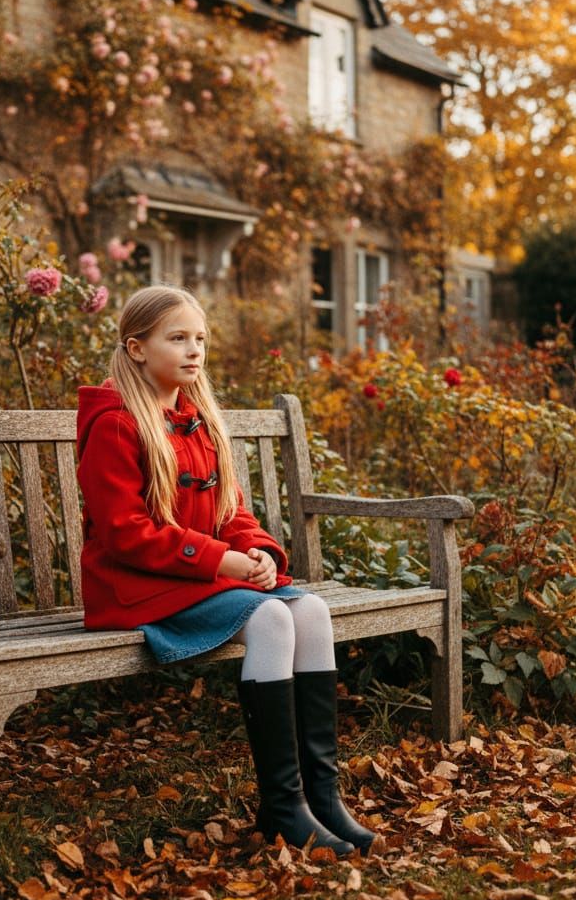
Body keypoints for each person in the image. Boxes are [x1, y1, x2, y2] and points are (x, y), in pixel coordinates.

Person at [76, 285, 375, 857]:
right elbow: (126, 533)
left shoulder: (197, 420)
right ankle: (283, 806)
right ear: (136, 348)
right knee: (269, 621)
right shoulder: (116, 424)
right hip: (135, 587)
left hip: (188, 579)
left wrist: (258, 551)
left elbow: (230, 511)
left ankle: (319, 795)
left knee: (309, 610)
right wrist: (218, 560)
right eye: (178, 338)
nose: (194, 351)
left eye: (200, 339)